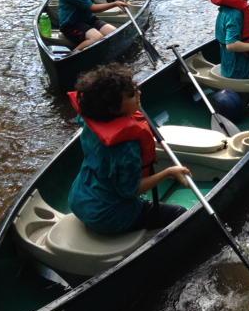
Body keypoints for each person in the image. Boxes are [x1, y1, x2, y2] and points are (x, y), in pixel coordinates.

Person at [67, 64, 191, 235]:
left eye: (136, 89)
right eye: (132, 95)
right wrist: (168, 172)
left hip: (78, 199)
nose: (139, 94)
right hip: (106, 216)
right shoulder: (127, 147)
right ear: (113, 109)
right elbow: (131, 190)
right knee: (181, 214)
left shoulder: (91, 123)